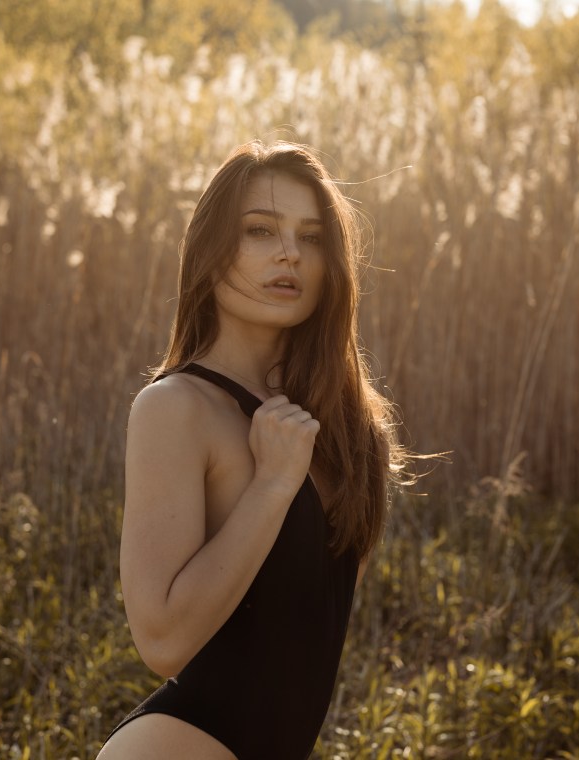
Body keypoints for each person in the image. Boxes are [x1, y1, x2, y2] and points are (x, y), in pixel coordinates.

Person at [97, 140, 408, 760]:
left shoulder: (344, 428)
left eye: (312, 237)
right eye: (261, 230)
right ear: (210, 252)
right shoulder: (176, 408)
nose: (290, 251)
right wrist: (271, 486)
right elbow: (162, 642)